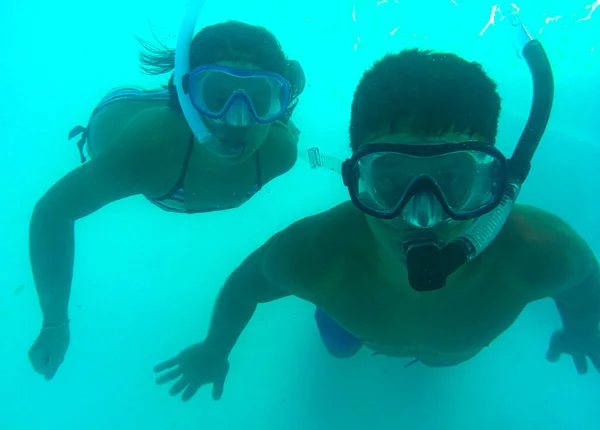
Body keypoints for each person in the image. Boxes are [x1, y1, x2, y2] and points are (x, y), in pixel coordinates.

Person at [153, 45, 600, 402]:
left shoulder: (544, 251)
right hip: (351, 321)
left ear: (492, 181)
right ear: (355, 179)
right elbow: (246, 284)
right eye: (391, 179)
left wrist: (583, 328)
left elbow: (584, 289)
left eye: (453, 179)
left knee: (442, 362)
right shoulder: (315, 256)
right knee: (338, 346)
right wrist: (216, 347)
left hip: (454, 350)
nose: (422, 214)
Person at [28, 20, 306, 381]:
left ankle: (248, 93)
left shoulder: (280, 152)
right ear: (185, 98)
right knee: (105, 137)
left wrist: (228, 103)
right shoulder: (145, 151)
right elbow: (53, 211)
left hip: (186, 117)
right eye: (217, 95)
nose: (237, 121)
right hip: (121, 118)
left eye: (260, 99)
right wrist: (53, 323)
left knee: (258, 115)